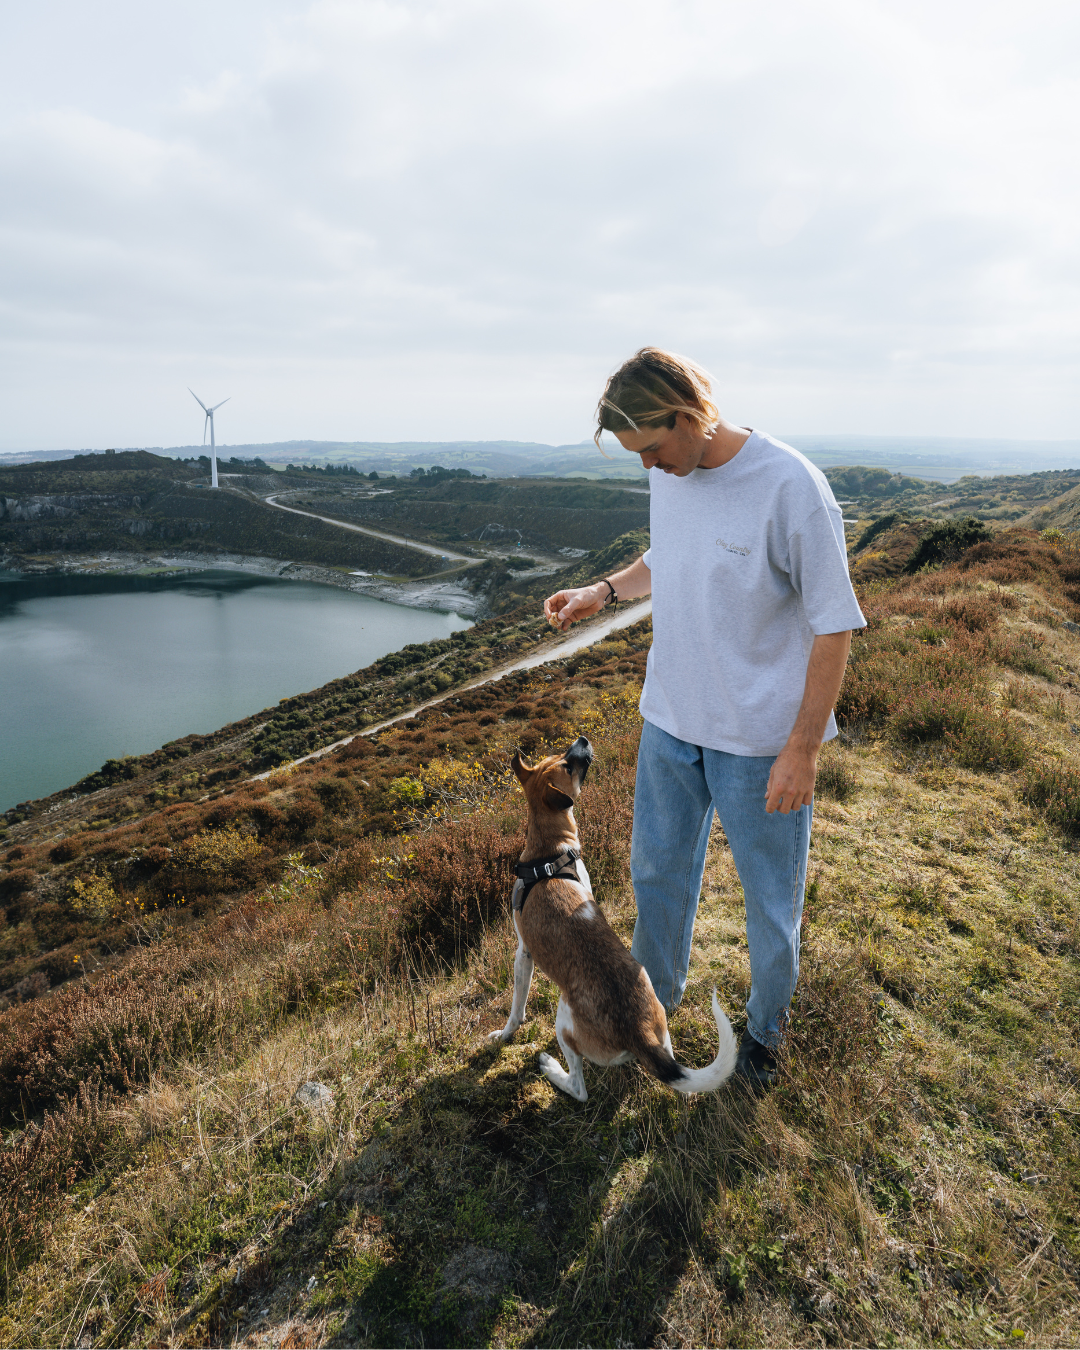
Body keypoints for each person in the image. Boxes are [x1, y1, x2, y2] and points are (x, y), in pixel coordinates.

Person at [543, 348, 865, 1089]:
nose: (650, 469)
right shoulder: (673, 472)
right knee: (656, 878)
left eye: (654, 448)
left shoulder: (792, 488)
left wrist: (803, 748)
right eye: (637, 459)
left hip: (759, 743)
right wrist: (605, 590)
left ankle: (765, 1038)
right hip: (670, 723)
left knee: (769, 902)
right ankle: (646, 1020)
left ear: (690, 415)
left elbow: (834, 625)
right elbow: (670, 555)